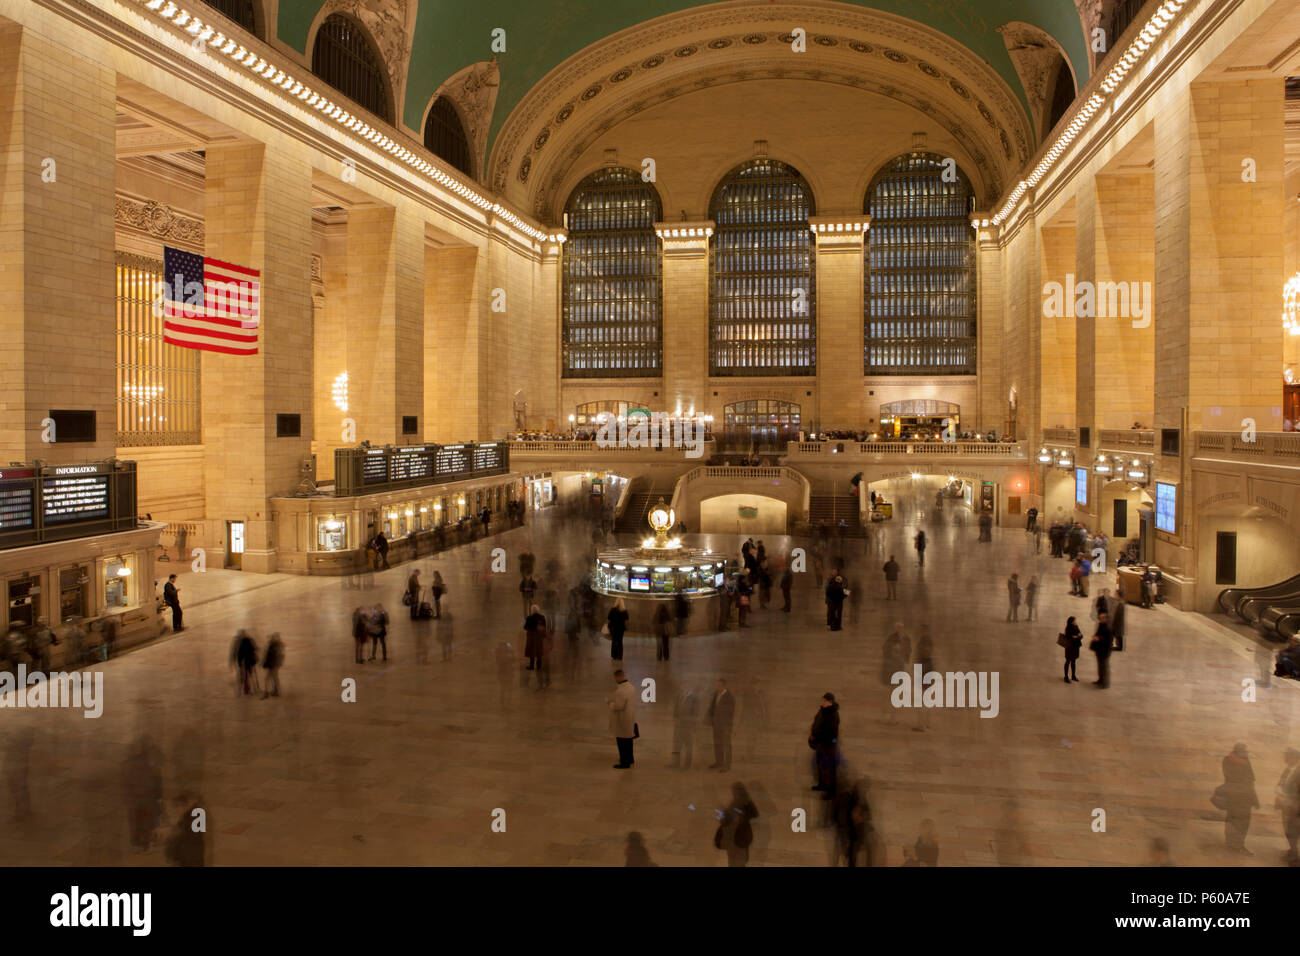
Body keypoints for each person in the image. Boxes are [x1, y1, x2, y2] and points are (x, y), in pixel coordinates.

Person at [1220, 743, 1259, 854]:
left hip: (1244, 798)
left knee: (1242, 822)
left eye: (1245, 751)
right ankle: (1233, 844)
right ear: (1237, 751)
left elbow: (1251, 781)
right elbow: (1232, 777)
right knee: (1233, 821)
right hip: (1235, 797)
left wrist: (1254, 799)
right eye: (1243, 751)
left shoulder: (1244, 760)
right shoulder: (1229, 760)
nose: (1246, 752)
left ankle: (1238, 844)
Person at [714, 783, 758, 867]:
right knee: (734, 862)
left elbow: (754, 814)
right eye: (735, 791)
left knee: (738, 862)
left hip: (739, 839)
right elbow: (727, 821)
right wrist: (723, 815)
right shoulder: (734, 804)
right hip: (733, 840)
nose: (736, 794)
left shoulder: (745, 804)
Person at [809, 692, 840, 797]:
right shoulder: (823, 711)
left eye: (824, 700)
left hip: (828, 744)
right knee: (820, 764)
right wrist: (812, 732)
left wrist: (816, 735)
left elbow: (828, 730)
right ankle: (822, 784)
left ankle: (831, 791)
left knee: (829, 768)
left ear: (830, 702)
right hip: (821, 743)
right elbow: (817, 722)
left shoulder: (832, 714)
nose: (822, 702)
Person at [164, 792, 207, 866]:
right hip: (188, 858)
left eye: (177, 807)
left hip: (189, 859)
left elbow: (190, 837)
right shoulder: (187, 817)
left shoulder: (195, 814)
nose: (176, 811)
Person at [607, 669, 637, 769]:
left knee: (622, 741)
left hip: (622, 719)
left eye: (615, 678)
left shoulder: (621, 691)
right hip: (630, 717)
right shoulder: (631, 687)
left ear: (619, 677)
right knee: (629, 740)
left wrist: (610, 704)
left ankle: (624, 762)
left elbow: (619, 706)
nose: (615, 680)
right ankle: (630, 758)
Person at [1275, 748, 1300, 864]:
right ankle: (1292, 851)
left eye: (1287, 756)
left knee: (1293, 831)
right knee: (1288, 830)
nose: (1285, 758)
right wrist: (1279, 790)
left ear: (1295, 758)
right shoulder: (1288, 769)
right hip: (1287, 805)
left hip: (1296, 807)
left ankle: (1295, 858)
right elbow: (1281, 783)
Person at [707, 678, 735, 772]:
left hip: (725, 726)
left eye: (719, 685)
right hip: (716, 725)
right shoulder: (716, 694)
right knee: (717, 744)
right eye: (717, 685)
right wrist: (711, 719)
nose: (717, 687)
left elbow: (730, 713)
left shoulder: (730, 697)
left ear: (724, 686)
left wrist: (727, 725)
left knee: (727, 745)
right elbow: (712, 707)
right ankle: (719, 762)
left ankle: (727, 766)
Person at [670, 685, 699, 769]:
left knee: (688, 745)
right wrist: (675, 717)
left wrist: (689, 722)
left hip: (687, 726)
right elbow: (676, 707)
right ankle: (676, 763)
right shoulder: (680, 695)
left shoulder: (694, 698)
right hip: (678, 725)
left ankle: (687, 765)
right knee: (677, 745)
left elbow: (695, 712)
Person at [232, 630, 258, 696]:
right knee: (247, 676)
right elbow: (254, 649)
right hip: (248, 662)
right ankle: (248, 690)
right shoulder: (246, 641)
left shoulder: (243, 641)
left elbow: (240, 653)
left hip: (246, 662)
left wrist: (239, 662)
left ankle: (246, 690)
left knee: (246, 676)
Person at [1090, 611, 1112, 687]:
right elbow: (1098, 633)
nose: (1100, 619)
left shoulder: (1108, 628)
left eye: (1102, 618)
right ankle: (1100, 680)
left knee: (1104, 667)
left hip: (1105, 651)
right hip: (1099, 649)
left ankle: (1105, 683)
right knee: (1100, 666)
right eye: (1099, 618)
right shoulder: (1101, 625)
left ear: (1105, 619)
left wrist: (1098, 638)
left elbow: (1108, 641)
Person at [259, 632, 284, 698]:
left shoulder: (276, 645)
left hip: (273, 665)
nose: (272, 638)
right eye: (272, 637)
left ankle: (267, 693)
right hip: (273, 665)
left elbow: (269, 655)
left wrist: (263, 662)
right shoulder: (275, 645)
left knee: (268, 678)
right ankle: (276, 692)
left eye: (274, 637)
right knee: (274, 678)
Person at [523, 604, 546, 673]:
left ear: (532, 610)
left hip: (531, 637)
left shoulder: (529, 618)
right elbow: (544, 627)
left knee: (531, 652)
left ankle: (532, 665)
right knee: (539, 651)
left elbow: (525, 627)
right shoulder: (542, 617)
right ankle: (539, 666)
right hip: (539, 637)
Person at [1061, 616, 1083, 682]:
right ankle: (1066, 677)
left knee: (1073, 661)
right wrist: (1076, 636)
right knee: (1068, 661)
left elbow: (1081, 635)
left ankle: (1073, 676)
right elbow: (1069, 637)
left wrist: (1077, 636)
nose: (1076, 622)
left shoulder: (1076, 627)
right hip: (1070, 647)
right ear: (1071, 622)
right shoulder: (1068, 628)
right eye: (1075, 621)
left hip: (1075, 647)